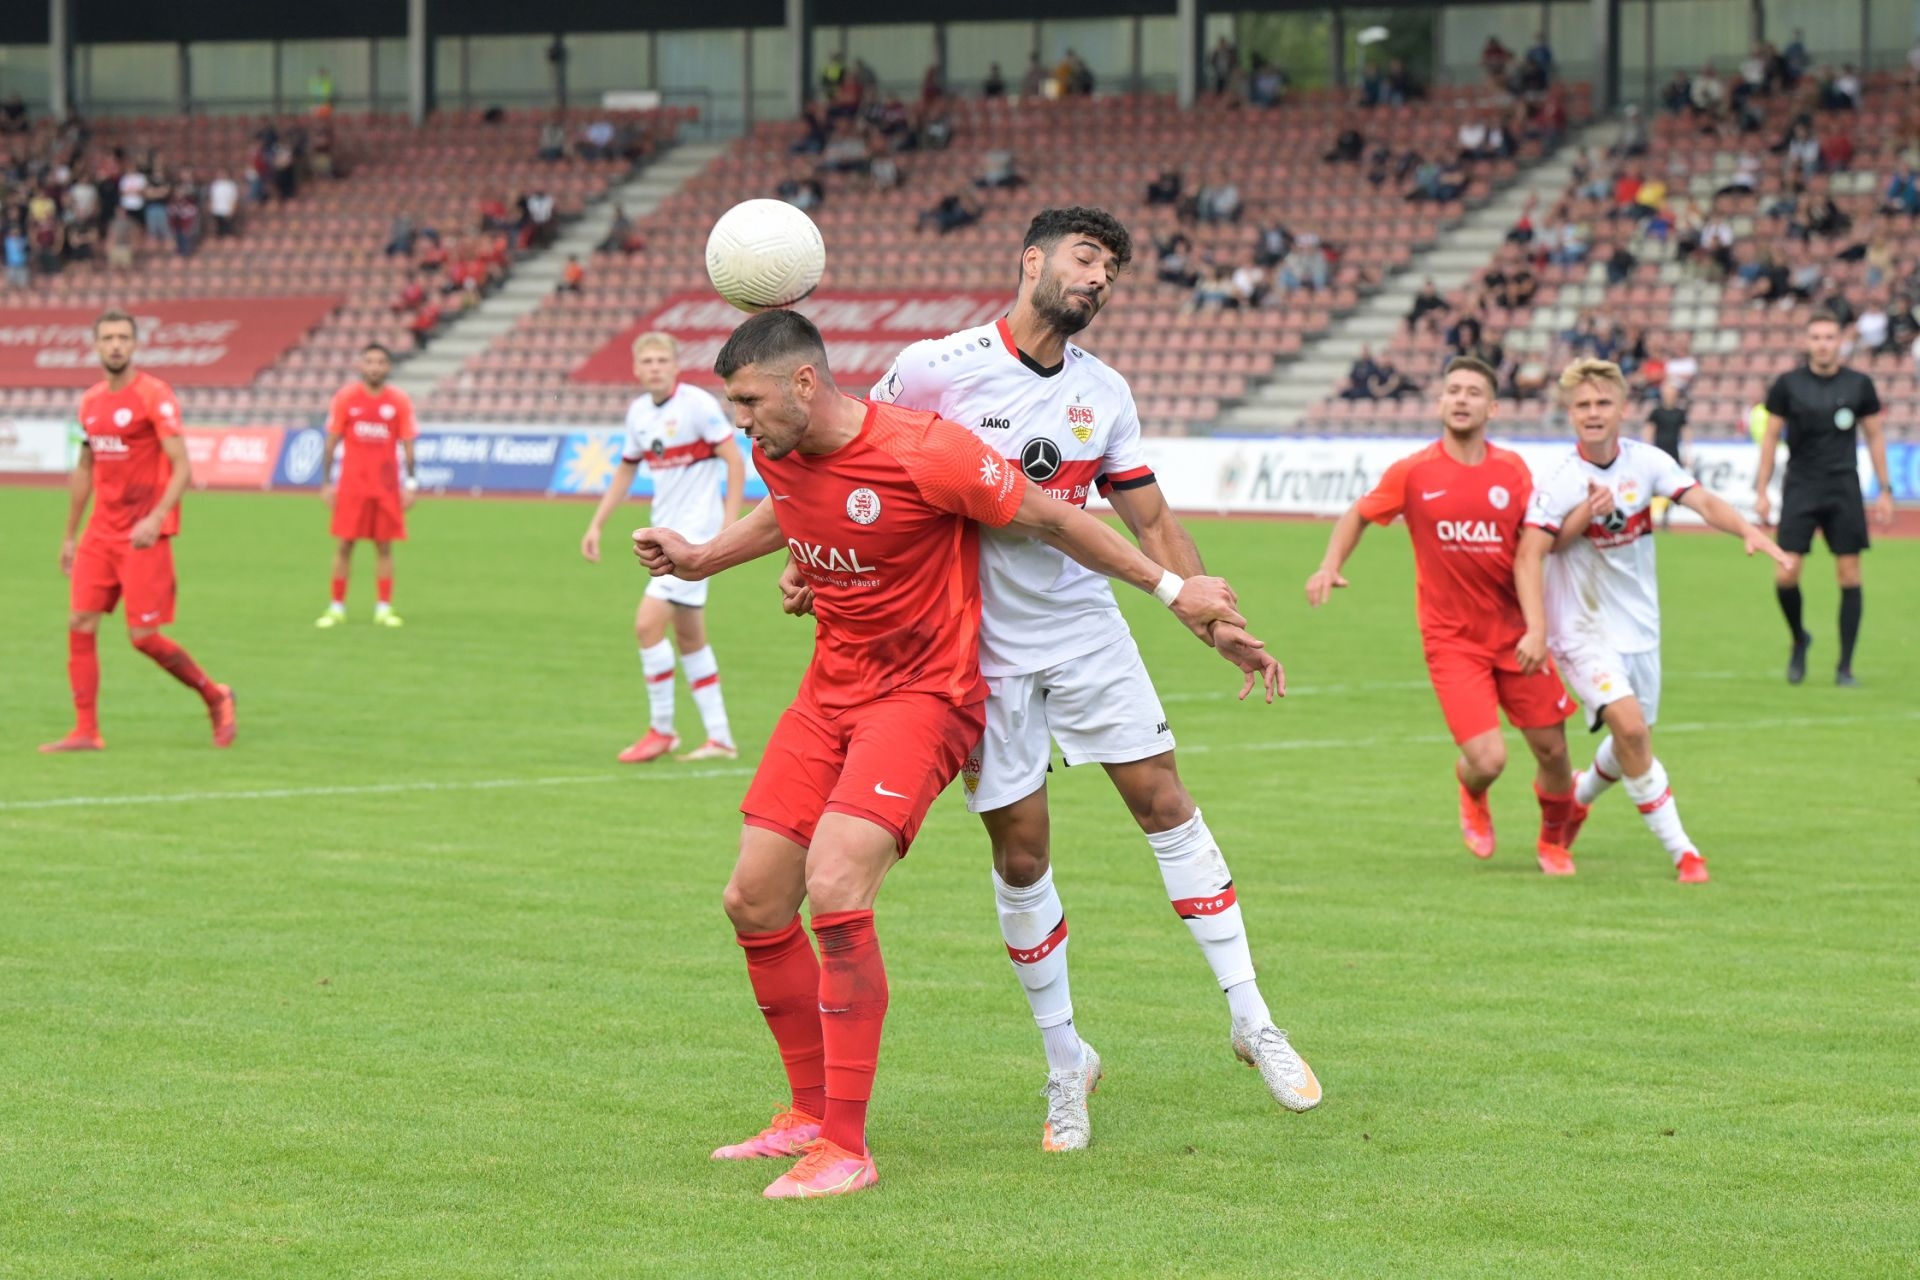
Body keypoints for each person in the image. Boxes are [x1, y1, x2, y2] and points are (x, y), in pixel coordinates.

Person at [633, 309, 1243, 1198]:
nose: (740, 420)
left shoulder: (928, 451)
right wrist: (700, 559)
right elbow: (788, 512)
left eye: (749, 401)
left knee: (836, 885)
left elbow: (1052, 518)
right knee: (754, 900)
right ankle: (806, 1114)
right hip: (828, 693)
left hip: (923, 696)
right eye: (734, 404)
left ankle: (847, 1149)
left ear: (804, 382)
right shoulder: (779, 447)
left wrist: (1172, 587)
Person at [849, 206, 1312, 1153]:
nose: (1099, 278)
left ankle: (1252, 1018)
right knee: (1021, 857)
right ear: (1032, 261)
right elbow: (858, 460)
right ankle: (1067, 1061)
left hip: (1085, 631)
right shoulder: (937, 367)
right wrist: (811, 560)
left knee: (1165, 803)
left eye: (1112, 270)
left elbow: (1151, 521)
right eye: (1086, 257)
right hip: (977, 648)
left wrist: (1219, 624)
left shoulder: (1105, 392)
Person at [1516, 359, 1791, 882]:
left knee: (1633, 737)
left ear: (1622, 409)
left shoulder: (1646, 462)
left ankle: (1577, 798)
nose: (1593, 413)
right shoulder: (1557, 480)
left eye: (1603, 403)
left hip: (1640, 628)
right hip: (1580, 629)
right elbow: (1531, 554)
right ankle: (1684, 852)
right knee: (1632, 730)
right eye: (1582, 405)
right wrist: (1536, 628)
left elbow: (1701, 499)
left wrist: (1747, 530)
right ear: (1570, 413)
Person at [1306, 357, 1578, 873]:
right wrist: (1330, 565)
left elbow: (1535, 549)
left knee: (1554, 753)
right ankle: (1472, 790)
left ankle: (1553, 842)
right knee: (1488, 760)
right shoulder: (1413, 472)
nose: (1461, 399)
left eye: (1473, 392)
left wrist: (1538, 626)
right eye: (1453, 390)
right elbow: (1359, 513)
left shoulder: (1513, 471)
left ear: (1492, 408)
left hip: (1516, 634)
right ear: (1440, 402)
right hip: (1452, 642)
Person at [41, 310, 237, 753]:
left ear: (134, 345)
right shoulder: (90, 402)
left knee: (145, 638)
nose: (115, 345)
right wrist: (70, 534)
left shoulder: (154, 395)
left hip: (142, 534)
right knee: (79, 621)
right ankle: (86, 730)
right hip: (100, 533)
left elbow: (183, 466)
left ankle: (216, 696)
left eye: (123, 338)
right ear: (96, 345)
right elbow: (85, 468)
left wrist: (156, 517)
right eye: (108, 338)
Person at [581, 332, 745, 763]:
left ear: (675, 366)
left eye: (661, 360)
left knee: (647, 624)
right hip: (666, 531)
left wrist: (729, 524)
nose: (654, 367)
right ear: (637, 369)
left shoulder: (697, 405)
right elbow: (626, 470)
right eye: (647, 361)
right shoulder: (638, 413)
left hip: (694, 537)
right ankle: (720, 738)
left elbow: (734, 460)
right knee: (690, 637)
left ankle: (662, 729)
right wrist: (597, 524)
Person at [1754, 314, 1893, 685]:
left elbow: (1875, 436)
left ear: (1840, 341)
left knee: (1849, 574)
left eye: (1829, 337)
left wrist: (1885, 489)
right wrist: (1761, 490)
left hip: (1843, 486)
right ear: (1807, 342)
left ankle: (1845, 667)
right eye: (1816, 337)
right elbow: (1771, 437)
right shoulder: (1787, 384)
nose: (1823, 344)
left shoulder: (1859, 384)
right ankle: (1799, 638)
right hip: (1800, 485)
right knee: (1786, 573)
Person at [316, 344, 418, 629]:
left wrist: (411, 484)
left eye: (380, 362)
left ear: (388, 367)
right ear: (361, 365)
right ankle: (336, 607)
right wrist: (326, 483)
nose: (375, 367)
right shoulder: (346, 398)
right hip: (352, 487)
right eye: (370, 361)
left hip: (386, 488)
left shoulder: (398, 401)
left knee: (384, 547)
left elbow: (408, 445)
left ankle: (383, 608)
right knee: (344, 545)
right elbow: (331, 442)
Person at [1646, 382, 1689, 528]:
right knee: (1653, 485)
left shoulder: (1680, 413)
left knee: (1672, 486)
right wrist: (1648, 449)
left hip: (1673, 452)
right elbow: (1649, 430)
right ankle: (1650, 514)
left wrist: (1687, 453)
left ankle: (1666, 514)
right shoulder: (1656, 412)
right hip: (1658, 452)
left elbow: (1686, 433)